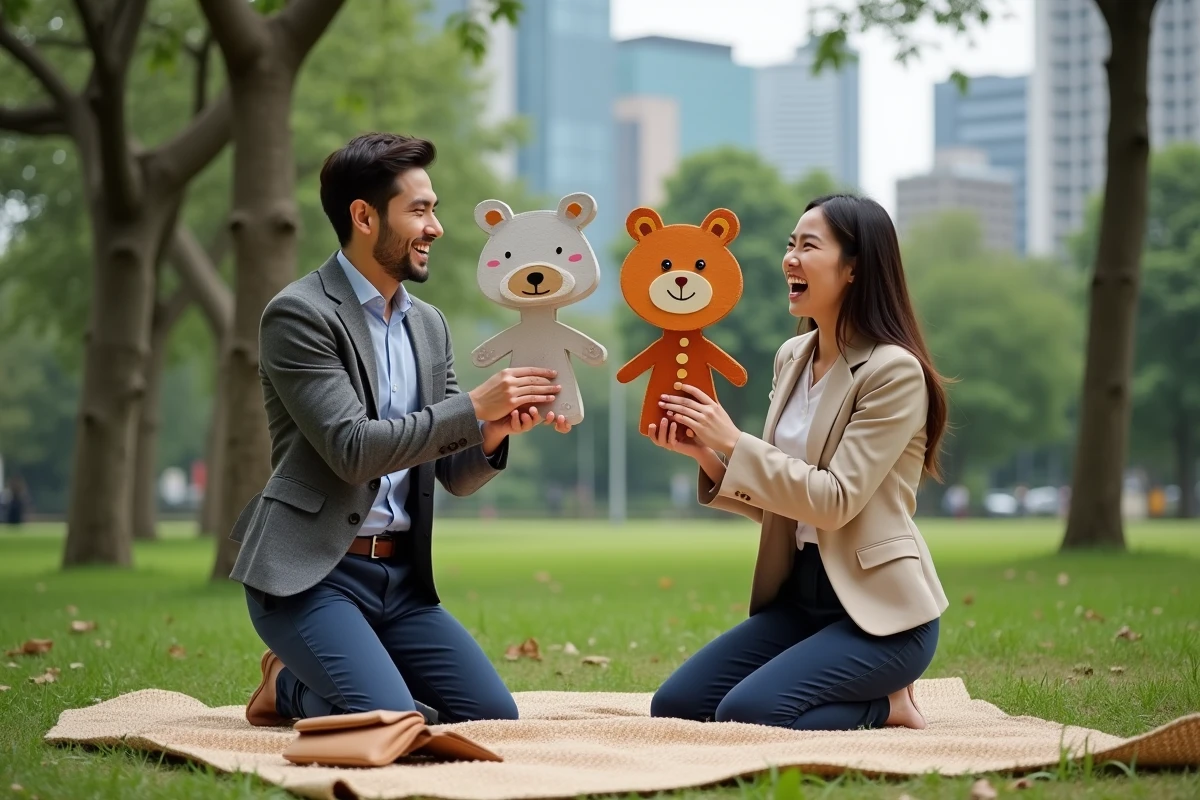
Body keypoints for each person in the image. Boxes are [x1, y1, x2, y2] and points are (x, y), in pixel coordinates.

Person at [232, 133, 571, 727]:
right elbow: (353, 450)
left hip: (401, 583)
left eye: (432, 208)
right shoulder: (299, 315)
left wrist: (493, 429)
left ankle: (317, 680)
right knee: (398, 722)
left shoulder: (430, 326)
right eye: (419, 210)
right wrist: (472, 408)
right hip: (312, 576)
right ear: (363, 217)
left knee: (491, 717)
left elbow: (453, 474)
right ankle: (285, 688)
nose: (435, 227)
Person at [647, 194, 949, 731]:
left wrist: (736, 443)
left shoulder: (893, 372)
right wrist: (707, 454)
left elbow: (833, 502)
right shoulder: (792, 357)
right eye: (791, 244)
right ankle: (869, 697)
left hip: (881, 615)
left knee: (750, 712)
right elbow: (786, 503)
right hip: (798, 599)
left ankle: (890, 705)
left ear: (854, 268)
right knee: (677, 704)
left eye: (808, 245)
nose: (790, 257)